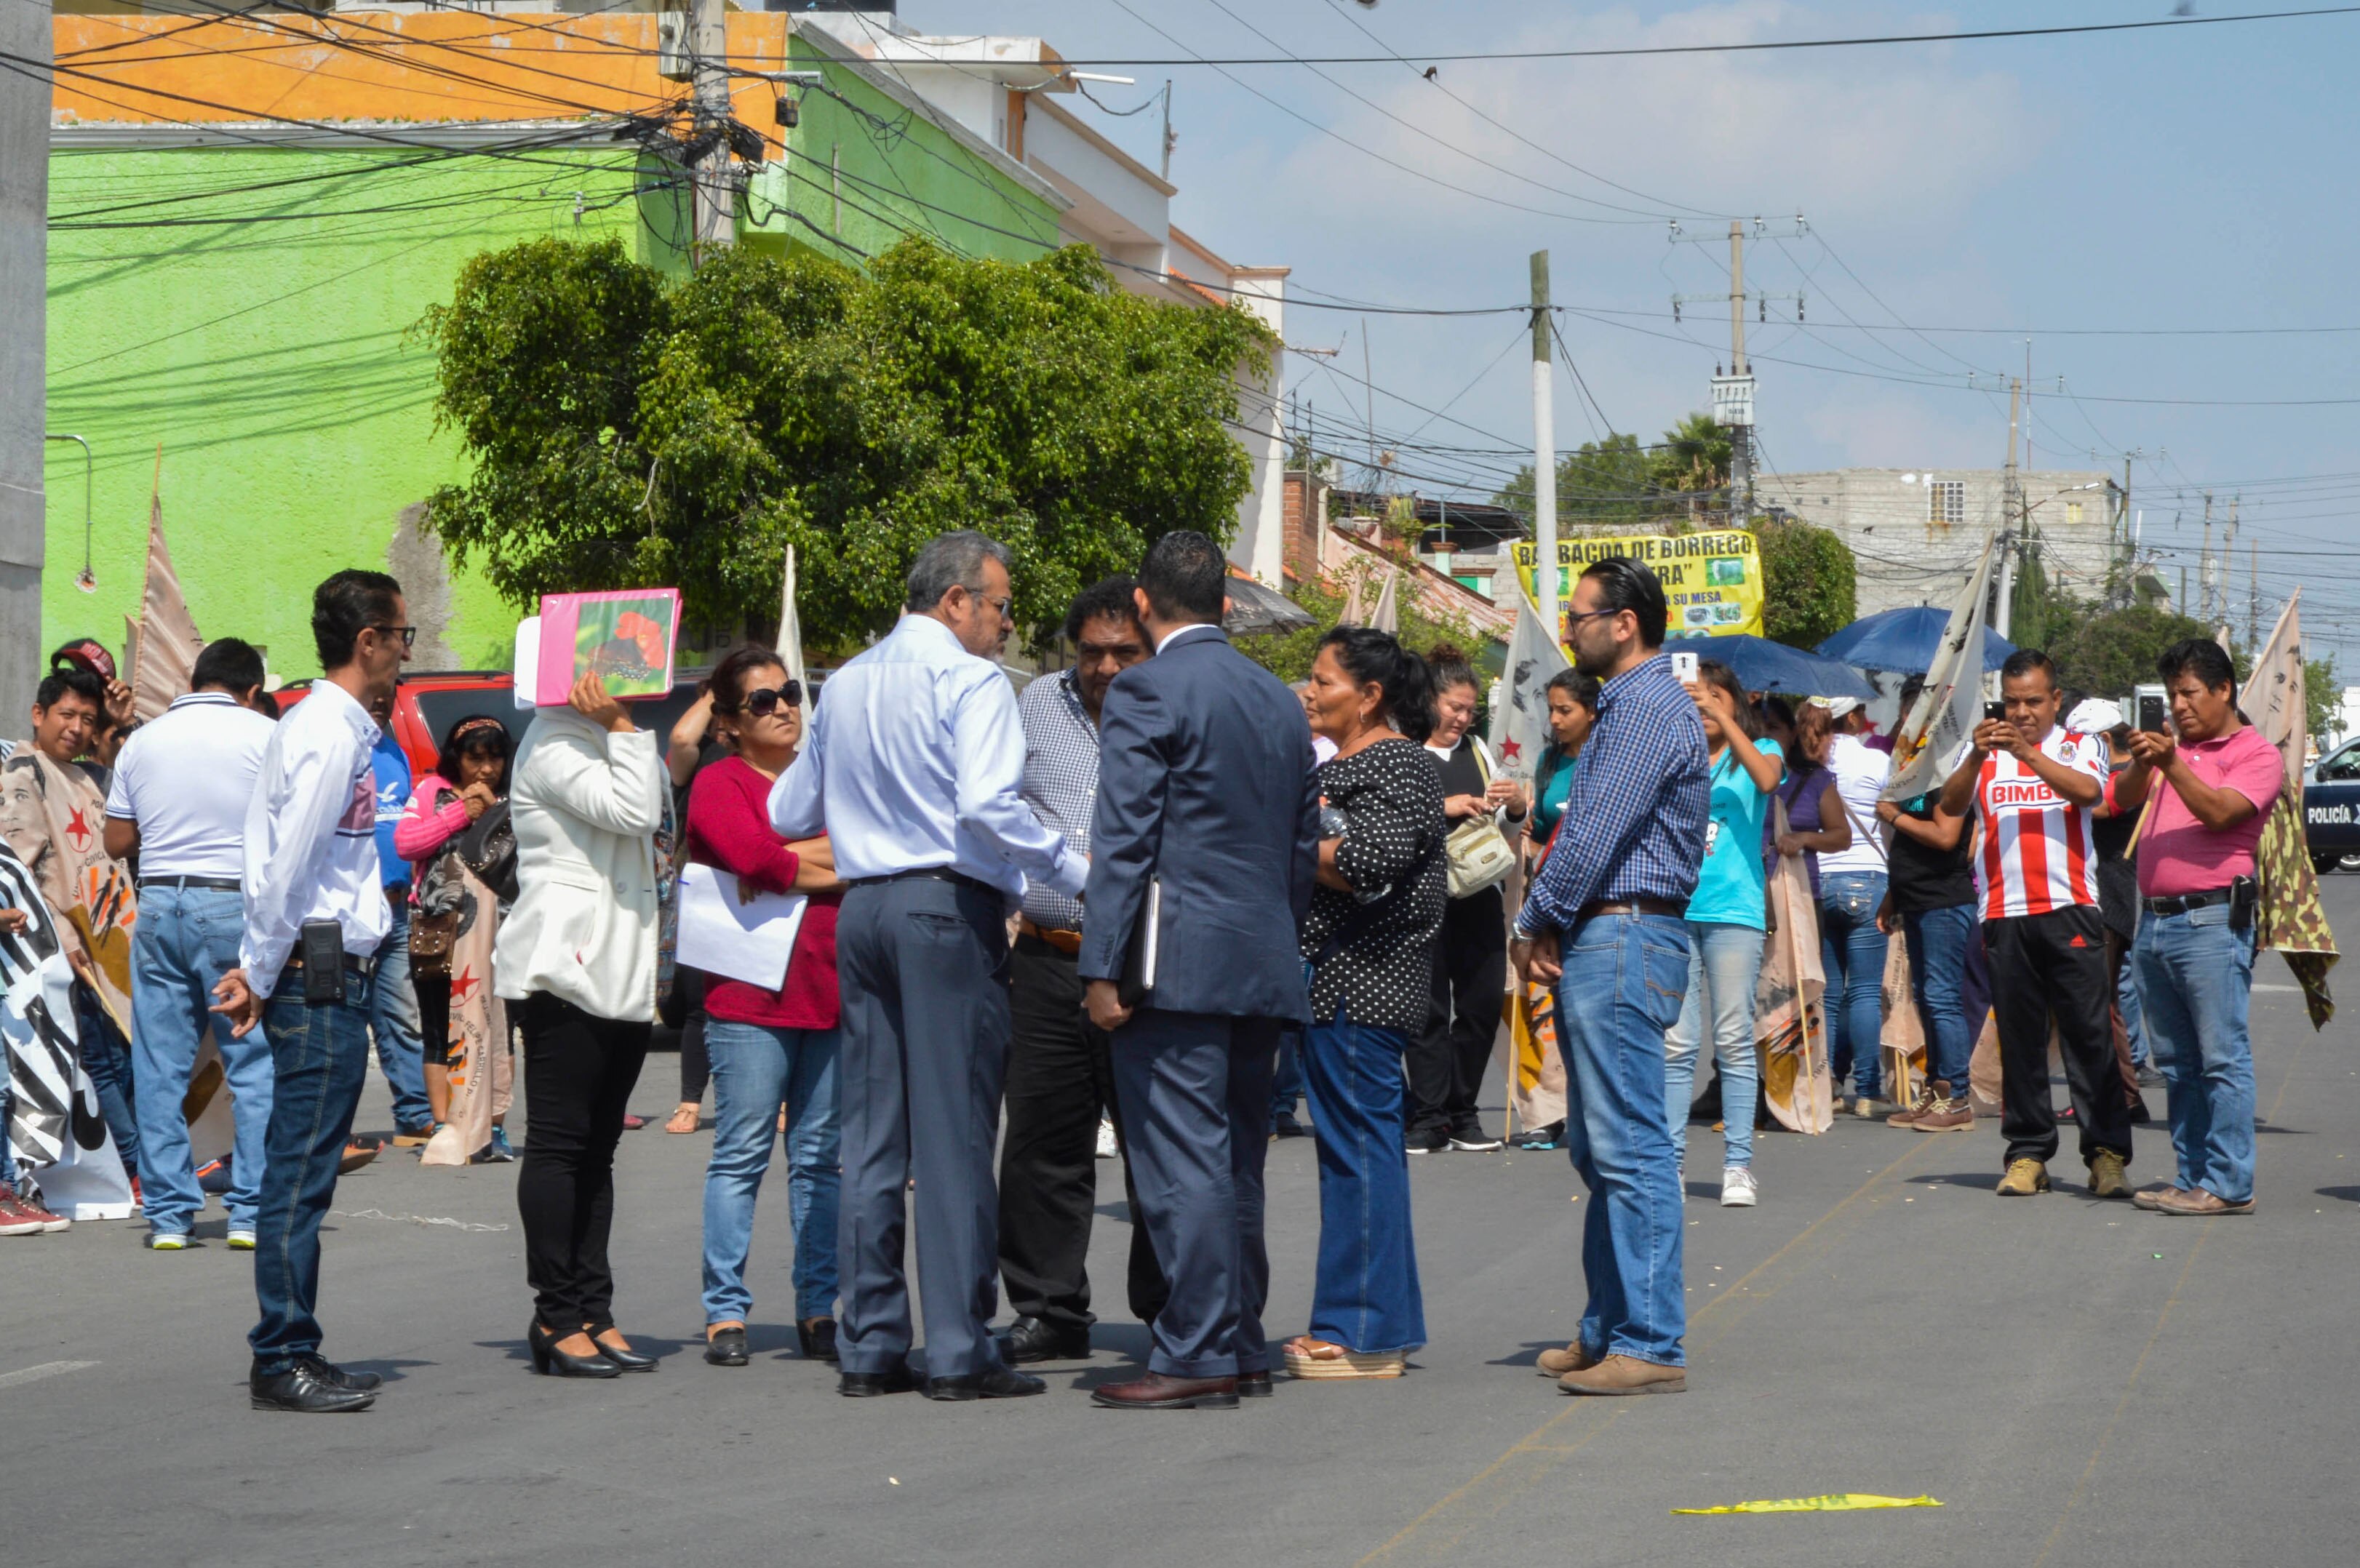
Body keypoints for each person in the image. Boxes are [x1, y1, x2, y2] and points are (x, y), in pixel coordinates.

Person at [769, 529, 1080, 1403]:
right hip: (943, 906)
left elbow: (789, 805)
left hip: (863, 907)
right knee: (952, 1136)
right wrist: (1072, 868)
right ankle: (955, 1346)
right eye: (1002, 605)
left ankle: (870, 1340)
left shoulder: (848, 680)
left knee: (872, 1131)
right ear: (956, 601)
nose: (1008, 626)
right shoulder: (971, 678)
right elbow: (987, 802)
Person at [1076, 529, 1319, 1409]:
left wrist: (1101, 967)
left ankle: (1197, 1348)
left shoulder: (1144, 688)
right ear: (1226, 601)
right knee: (1232, 1159)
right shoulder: (1277, 698)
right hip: (1257, 953)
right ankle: (1237, 1336)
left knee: (1182, 1160)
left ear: (1143, 603)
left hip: (1175, 960)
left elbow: (1125, 839)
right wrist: (1270, 933)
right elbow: (1299, 845)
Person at [209, 569, 412, 1413]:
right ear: (366, 640)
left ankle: (297, 1345)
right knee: (298, 1171)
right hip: (314, 972)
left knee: (309, 1165)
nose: (407, 650)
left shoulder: (338, 728)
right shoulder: (327, 733)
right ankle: (282, 1353)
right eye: (401, 635)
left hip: (323, 965)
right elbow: (285, 866)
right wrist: (258, 970)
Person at [1511, 556, 1707, 1397]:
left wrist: (1533, 917)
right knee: (1601, 1146)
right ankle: (1607, 1326)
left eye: (1582, 615)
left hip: (1626, 932)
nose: (1571, 629)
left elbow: (1591, 836)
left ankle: (1650, 1338)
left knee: (1628, 1147)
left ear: (1623, 621)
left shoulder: (1643, 706)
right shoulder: (1631, 705)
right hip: (1612, 932)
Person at [996, 577, 1163, 1367]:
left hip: (1146, 962)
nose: (1104, 667)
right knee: (1041, 1142)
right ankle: (1048, 1305)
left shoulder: (1173, 709)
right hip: (1049, 957)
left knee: (1154, 1142)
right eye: (1090, 652)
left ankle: (1169, 1308)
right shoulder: (1031, 707)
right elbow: (997, 808)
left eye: (1122, 652)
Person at [496, 666, 670, 1379]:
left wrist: (624, 731)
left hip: (616, 967)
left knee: (597, 1148)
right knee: (562, 1144)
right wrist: (625, 728)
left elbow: (652, 801)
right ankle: (555, 1314)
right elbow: (636, 810)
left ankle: (594, 1309)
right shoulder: (553, 743)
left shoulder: (594, 735)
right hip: (563, 966)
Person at [1282, 626, 1444, 1381]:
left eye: (1325, 681)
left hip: (1361, 983)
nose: (1311, 692)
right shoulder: (1346, 764)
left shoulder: (1397, 761)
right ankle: (1373, 1323)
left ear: (1370, 696)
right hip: (1335, 985)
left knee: (1360, 1158)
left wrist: (1281, 844)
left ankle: (1362, 1331)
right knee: (1353, 1157)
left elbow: (1371, 861)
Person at [686, 646, 847, 1369]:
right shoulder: (718, 783)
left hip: (834, 993)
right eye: (761, 700)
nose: (783, 706)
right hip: (749, 999)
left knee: (820, 1161)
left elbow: (868, 853)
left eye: (787, 693)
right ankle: (725, 1310)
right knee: (742, 1154)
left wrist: (786, 857)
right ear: (728, 723)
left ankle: (818, 1308)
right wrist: (807, 859)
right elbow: (757, 860)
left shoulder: (828, 779)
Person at [1937, 648, 2134, 1199]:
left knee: (2088, 1036)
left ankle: (2106, 1154)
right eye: (2013, 702)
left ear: (2055, 701)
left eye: (2033, 702)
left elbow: (2090, 793)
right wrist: (1976, 760)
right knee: (2019, 1043)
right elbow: (1951, 807)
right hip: (2004, 911)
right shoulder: (1985, 753)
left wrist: (2027, 754)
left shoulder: (2081, 744)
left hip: (2071, 906)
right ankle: (2027, 1154)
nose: (2022, 713)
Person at [103, 638, 278, 1249]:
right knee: (252, 1064)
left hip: (158, 905)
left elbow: (117, 841)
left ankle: (171, 1216)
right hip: (232, 905)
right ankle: (251, 1212)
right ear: (251, 690)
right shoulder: (263, 738)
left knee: (157, 1065)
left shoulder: (143, 741)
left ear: (196, 679)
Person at [2113, 640, 2281, 1216]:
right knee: (2178, 1063)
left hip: (2210, 918)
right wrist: (2144, 758)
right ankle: (2193, 1177)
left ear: (2223, 690)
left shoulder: (2256, 753)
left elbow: (2219, 813)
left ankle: (2231, 1183)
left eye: (2189, 693)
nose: (2179, 706)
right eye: (2172, 696)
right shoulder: (2172, 752)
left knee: (2220, 1058)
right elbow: (2116, 801)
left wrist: (2171, 763)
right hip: (2155, 922)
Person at [3, 663, 143, 1189]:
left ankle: (142, 1162)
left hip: (109, 940)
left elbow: (125, 794)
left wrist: (121, 728)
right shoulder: (22, 773)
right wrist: (60, 937)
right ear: (38, 714)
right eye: (67, 714)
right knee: (103, 1062)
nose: (77, 728)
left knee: (126, 1056)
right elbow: (20, 873)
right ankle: (135, 1167)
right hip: (70, 946)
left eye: (88, 719)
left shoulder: (85, 773)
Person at [1661, 659, 1782, 1207]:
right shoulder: (1677, 757)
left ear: (1736, 701)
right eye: (1694, 698)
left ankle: (1738, 1165)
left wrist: (1722, 719)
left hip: (1733, 912)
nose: (1703, 706)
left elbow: (1767, 780)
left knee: (1733, 1040)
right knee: (1676, 1044)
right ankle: (1670, 1165)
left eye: (1714, 697)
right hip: (1675, 909)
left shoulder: (1761, 752)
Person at [1408, 644, 1526, 1156]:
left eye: (1468, 710)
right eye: (1453, 707)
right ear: (1430, 699)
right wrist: (1443, 806)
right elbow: (1387, 819)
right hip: (1421, 895)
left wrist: (1516, 806)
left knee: (1480, 1005)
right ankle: (1429, 1116)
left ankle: (1462, 1110)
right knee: (1429, 1011)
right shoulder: (1405, 750)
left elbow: (1503, 825)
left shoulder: (1478, 752)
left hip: (1478, 894)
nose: (1460, 718)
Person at [393, 714, 515, 1152]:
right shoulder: (432, 792)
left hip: (502, 933)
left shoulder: (515, 797)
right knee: (439, 1029)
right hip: (439, 930)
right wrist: (462, 813)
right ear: (456, 759)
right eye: (475, 758)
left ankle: (493, 1127)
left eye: (495, 758)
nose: (486, 769)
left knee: (498, 1025)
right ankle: (449, 1127)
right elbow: (406, 844)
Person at [1874, 700, 1981, 1135]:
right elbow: (1907, 852)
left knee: (1941, 997)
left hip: (1943, 900)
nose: (1906, 729)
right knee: (1926, 996)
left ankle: (1956, 1095)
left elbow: (1944, 835)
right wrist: (1891, 896)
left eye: (1915, 722)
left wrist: (1895, 816)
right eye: (1904, 720)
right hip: (1914, 899)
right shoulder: (1911, 776)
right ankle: (1936, 1091)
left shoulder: (1947, 777)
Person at [1510, 669, 1602, 1153]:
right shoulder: (1548, 762)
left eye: (1565, 709)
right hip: (1549, 904)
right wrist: (1527, 825)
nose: (1555, 718)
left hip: (1598, 909)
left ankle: (1591, 1113)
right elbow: (1542, 830)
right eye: (1552, 709)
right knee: (1547, 1011)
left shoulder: (1609, 760)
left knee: (1589, 1017)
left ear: (1591, 711)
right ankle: (1546, 1112)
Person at [2076, 701, 2155, 1123]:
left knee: (2098, 1005)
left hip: (2110, 902)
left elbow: (2101, 806)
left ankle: (2119, 1096)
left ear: (2104, 741)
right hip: (2104, 900)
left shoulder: (2126, 779)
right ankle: (2122, 1094)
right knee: (2100, 1004)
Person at [1814, 697, 1894, 1116]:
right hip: (1867, 877)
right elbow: (1909, 805)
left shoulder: (1810, 762)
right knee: (1863, 990)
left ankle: (1825, 1087)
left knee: (1827, 993)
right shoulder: (1876, 761)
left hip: (1818, 880)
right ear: (1853, 718)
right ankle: (1867, 1090)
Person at [362, 688, 434, 1147]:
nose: (380, 702)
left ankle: (414, 1114)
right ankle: (329, 1128)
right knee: (344, 1028)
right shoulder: (340, 750)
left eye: (387, 695)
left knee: (402, 1018)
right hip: (348, 915)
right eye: (373, 693)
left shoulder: (395, 753)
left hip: (396, 907)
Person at [663, 688, 724, 1137]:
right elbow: (682, 737)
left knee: (765, 1000)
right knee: (698, 1005)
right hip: (700, 890)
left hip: (762, 887)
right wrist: (715, 690)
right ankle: (690, 1102)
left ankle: (778, 1099)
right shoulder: (699, 755)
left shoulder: (774, 756)